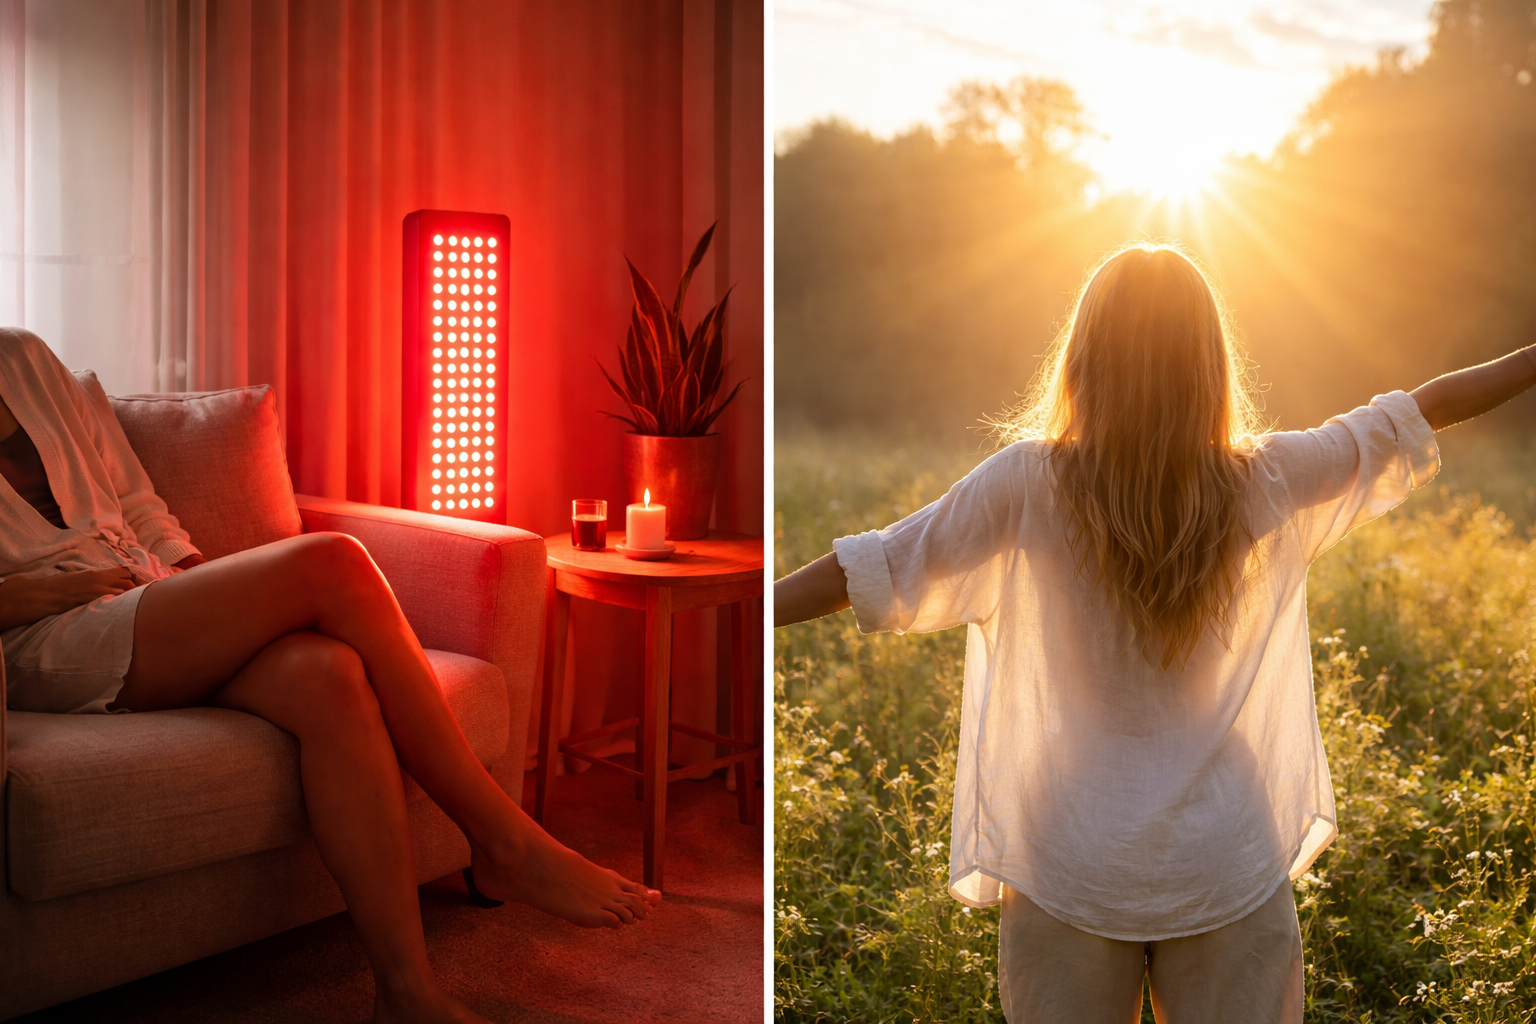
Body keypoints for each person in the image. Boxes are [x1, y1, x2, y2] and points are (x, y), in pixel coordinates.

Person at [774, 243, 1536, 1023]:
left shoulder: (1029, 481)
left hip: (1069, 846)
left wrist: (748, 605)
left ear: (1084, 356)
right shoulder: (1263, 478)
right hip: (1223, 843)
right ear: (1208, 362)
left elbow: (867, 569)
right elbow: (1421, 408)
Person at [0, 327, 661, 1024]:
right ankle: (504, 840)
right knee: (335, 561)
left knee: (332, 677)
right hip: (43, 637)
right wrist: (27, 596)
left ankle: (406, 994)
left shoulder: (25, 357)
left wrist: (214, 595)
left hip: (145, 596)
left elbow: (136, 505)